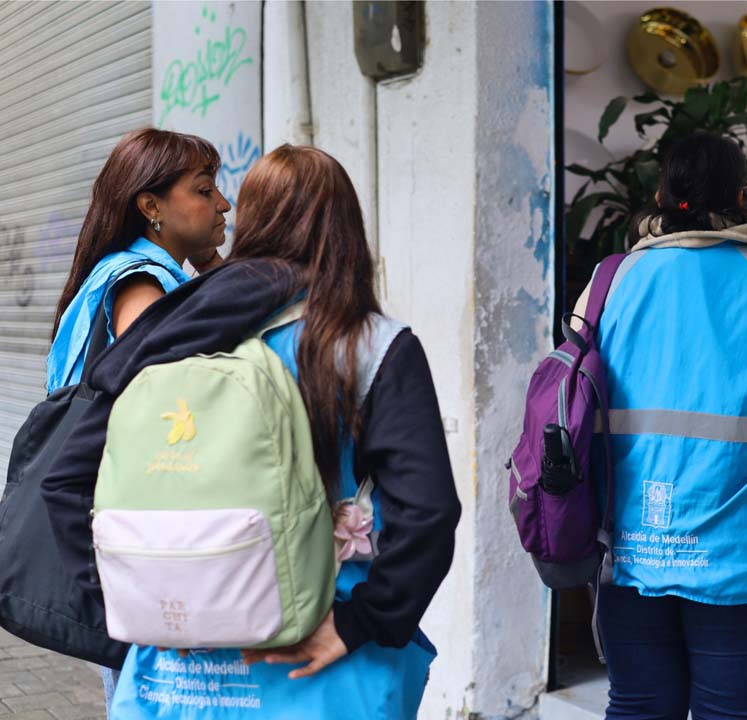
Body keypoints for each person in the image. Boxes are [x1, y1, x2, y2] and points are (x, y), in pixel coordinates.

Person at [41, 145, 460, 719]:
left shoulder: (167, 332)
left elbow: (63, 481)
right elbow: (429, 510)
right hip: (322, 662)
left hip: (177, 680)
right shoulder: (370, 346)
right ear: (346, 230)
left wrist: (128, 611)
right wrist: (367, 620)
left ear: (255, 223)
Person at [571, 132, 747, 719]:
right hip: (745, 556)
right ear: (743, 195)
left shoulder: (610, 282)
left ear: (659, 194)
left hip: (630, 546)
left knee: (637, 707)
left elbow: (574, 403)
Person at [44, 127, 229, 716]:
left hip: (132, 527)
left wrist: (210, 264)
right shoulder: (139, 284)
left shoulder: (139, 272)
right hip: (144, 534)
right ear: (150, 207)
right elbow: (179, 396)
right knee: (152, 696)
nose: (223, 204)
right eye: (204, 190)